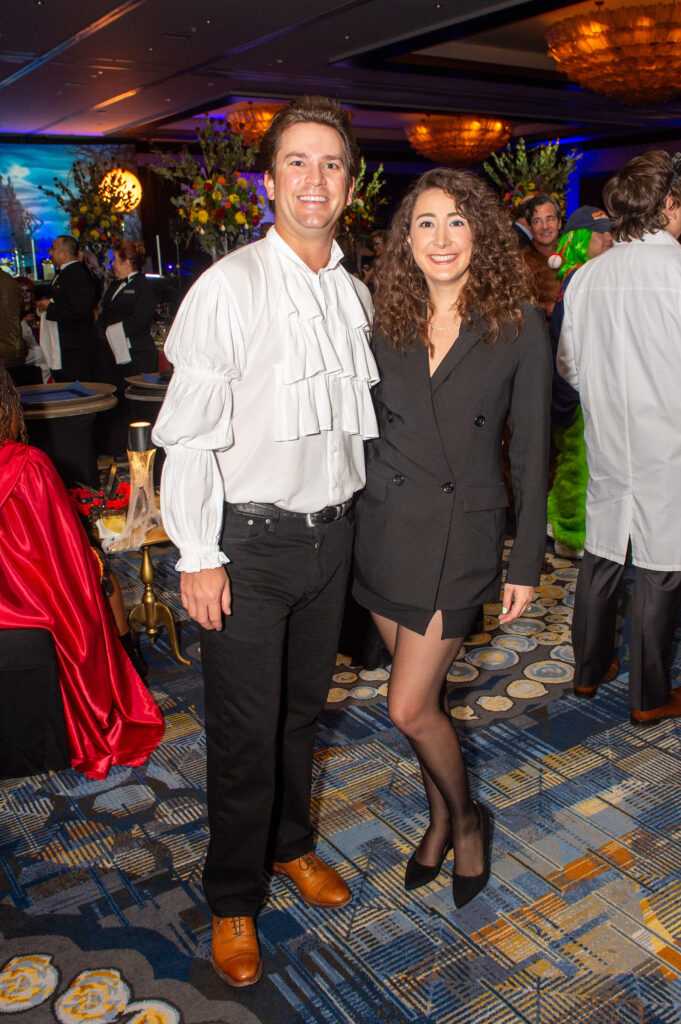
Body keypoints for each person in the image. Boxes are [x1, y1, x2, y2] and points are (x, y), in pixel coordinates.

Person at [152, 95, 378, 988]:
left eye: (330, 165)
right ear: (269, 179)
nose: (313, 180)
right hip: (246, 546)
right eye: (297, 162)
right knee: (244, 734)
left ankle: (289, 846)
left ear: (349, 185)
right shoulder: (231, 286)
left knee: (299, 717)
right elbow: (188, 437)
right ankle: (233, 897)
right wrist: (197, 553)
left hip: (331, 544)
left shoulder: (354, 291)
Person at [353, 167, 551, 906]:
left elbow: (531, 449)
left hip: (458, 535)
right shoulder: (380, 320)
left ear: (482, 235)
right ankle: (439, 819)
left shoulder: (517, 325)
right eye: (426, 222)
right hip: (382, 532)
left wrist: (524, 558)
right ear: (406, 239)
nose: (441, 238)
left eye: (457, 221)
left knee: (406, 705)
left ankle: (467, 821)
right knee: (425, 701)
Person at [557, 150, 681, 724]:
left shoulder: (587, 277)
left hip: (609, 436)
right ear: (670, 205)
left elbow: (570, 367)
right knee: (661, 564)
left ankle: (588, 671)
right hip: (670, 442)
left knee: (603, 555)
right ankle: (650, 696)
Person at [0, 365, 164, 779]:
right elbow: (62, 562)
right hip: (21, 610)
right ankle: (128, 671)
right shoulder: (26, 464)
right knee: (98, 578)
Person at [547, 206, 613, 559]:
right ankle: (570, 535)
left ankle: (556, 518)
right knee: (578, 464)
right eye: (598, 233)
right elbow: (568, 350)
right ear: (580, 239)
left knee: (571, 461)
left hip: (574, 387)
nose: (608, 238)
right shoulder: (581, 278)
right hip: (575, 391)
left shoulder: (579, 275)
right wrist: (581, 389)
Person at [97, 239, 158, 456]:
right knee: (120, 402)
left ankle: (142, 449)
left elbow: (140, 318)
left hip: (138, 354)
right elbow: (105, 315)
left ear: (125, 262)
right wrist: (103, 332)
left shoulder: (144, 286)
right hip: (115, 353)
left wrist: (114, 331)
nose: (112, 264)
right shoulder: (114, 286)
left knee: (137, 404)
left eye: (115, 259)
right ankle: (120, 448)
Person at [35, 235, 99, 382]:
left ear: (64, 253)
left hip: (76, 348)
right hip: (64, 347)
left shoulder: (77, 274)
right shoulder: (63, 274)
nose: (50, 252)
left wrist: (49, 307)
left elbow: (79, 309)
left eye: (53, 249)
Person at [523, 192, 562, 319]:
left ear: (559, 223)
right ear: (531, 227)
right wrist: (549, 309)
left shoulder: (572, 253)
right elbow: (519, 305)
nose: (545, 226)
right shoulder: (521, 262)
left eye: (550, 219)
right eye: (537, 221)